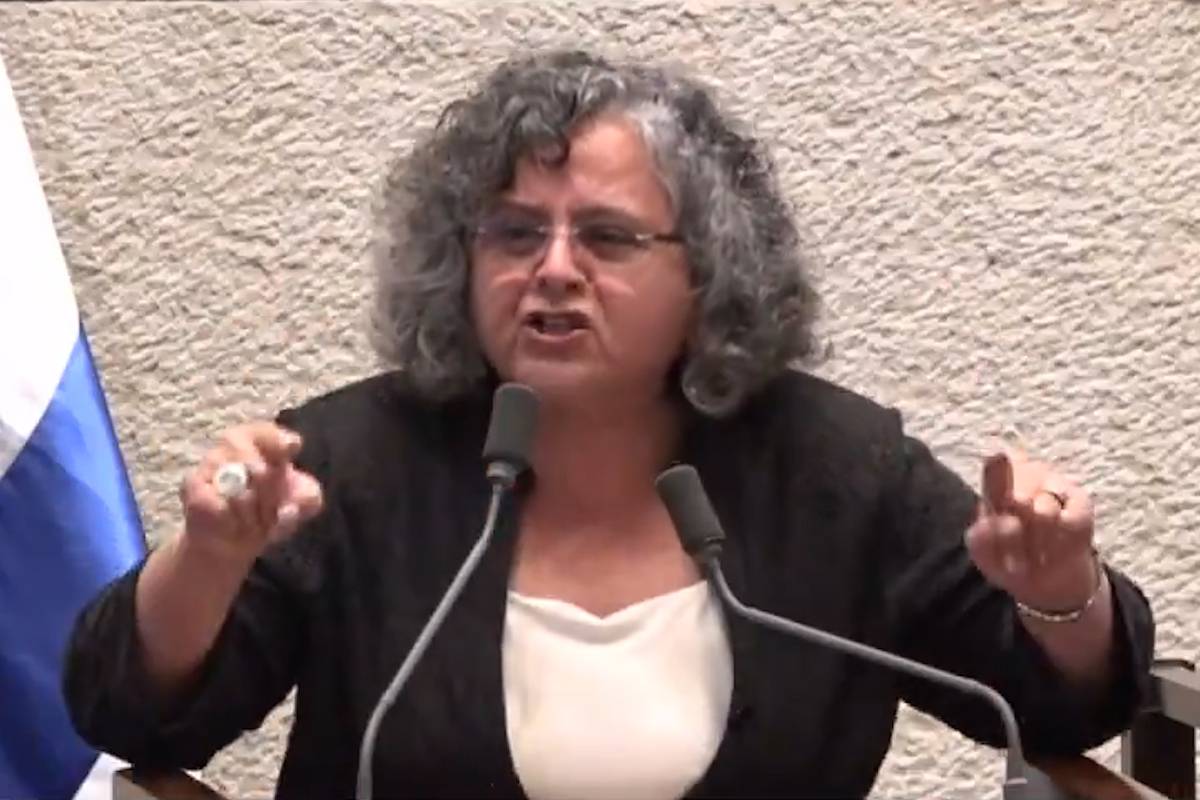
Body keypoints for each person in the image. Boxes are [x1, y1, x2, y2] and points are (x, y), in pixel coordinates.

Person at [64, 49, 1154, 799]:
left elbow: (1065, 710)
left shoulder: (835, 470)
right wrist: (209, 560)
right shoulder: (355, 463)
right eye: (513, 233)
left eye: (608, 237)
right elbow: (131, 717)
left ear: (709, 273)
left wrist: (1060, 590)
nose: (552, 270)